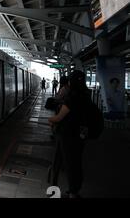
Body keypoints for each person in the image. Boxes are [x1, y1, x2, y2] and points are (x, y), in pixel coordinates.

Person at [48, 70, 90, 198]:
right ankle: (74, 190)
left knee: (66, 163)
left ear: (71, 82)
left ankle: (62, 192)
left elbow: (59, 118)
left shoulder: (72, 97)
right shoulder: (86, 95)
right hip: (80, 136)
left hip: (67, 135)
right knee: (75, 163)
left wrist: (50, 119)